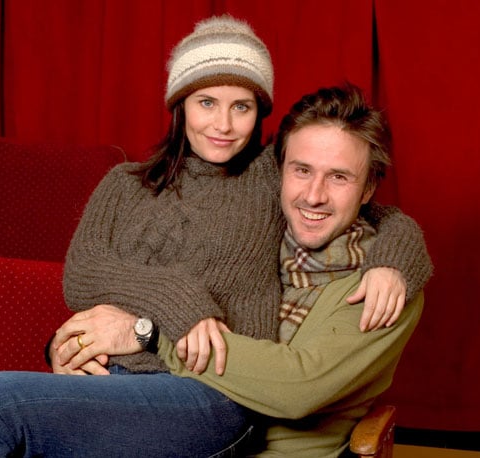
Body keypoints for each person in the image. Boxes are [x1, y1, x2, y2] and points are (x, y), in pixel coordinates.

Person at [0, 16, 431, 457]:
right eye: (207, 102)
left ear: (261, 115)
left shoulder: (266, 176)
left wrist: (394, 259)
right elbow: (83, 275)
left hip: (207, 393)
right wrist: (166, 306)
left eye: (242, 107)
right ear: (179, 104)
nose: (222, 123)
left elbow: (366, 207)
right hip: (116, 380)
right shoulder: (125, 184)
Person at [157, 84, 429, 456]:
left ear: (367, 189)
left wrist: (154, 336)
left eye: (338, 177)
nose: (314, 194)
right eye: (302, 170)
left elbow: (297, 387)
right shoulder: (256, 236)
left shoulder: (382, 284)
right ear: (278, 172)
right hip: (195, 433)